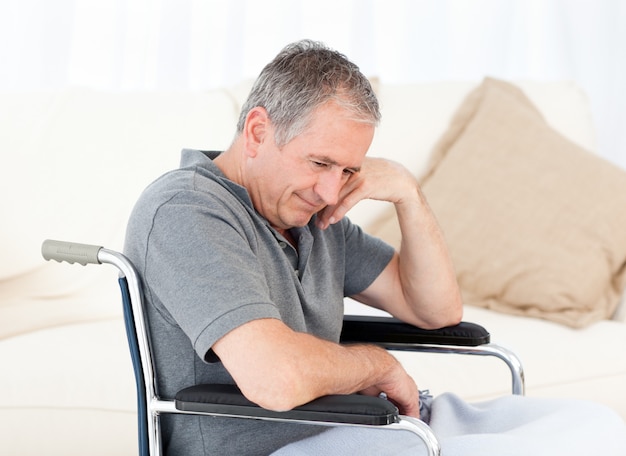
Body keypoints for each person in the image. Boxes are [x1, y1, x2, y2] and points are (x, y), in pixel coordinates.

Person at [124, 40, 626, 455]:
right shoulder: (187, 210)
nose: (330, 190)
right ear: (258, 132)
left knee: (599, 428)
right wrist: (377, 365)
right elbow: (275, 378)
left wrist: (409, 193)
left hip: (370, 425)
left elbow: (436, 309)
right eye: (319, 163)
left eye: (347, 170)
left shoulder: (314, 216)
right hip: (283, 444)